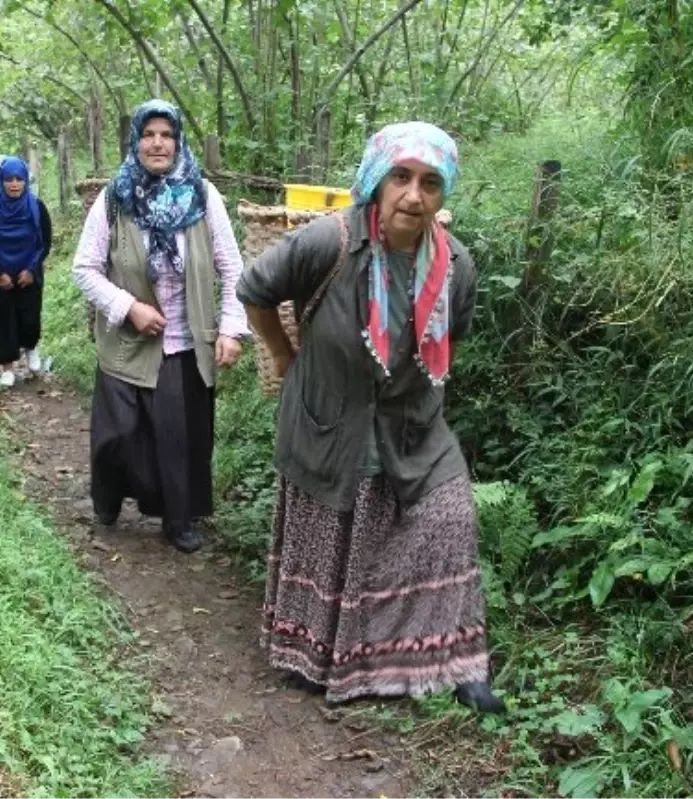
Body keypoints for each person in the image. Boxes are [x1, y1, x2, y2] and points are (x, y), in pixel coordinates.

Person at [235, 122, 504, 712]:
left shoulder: (456, 265)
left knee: (450, 521)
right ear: (377, 181)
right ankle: (317, 655)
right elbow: (254, 288)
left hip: (413, 427)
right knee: (334, 539)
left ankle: (456, 660)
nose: (414, 195)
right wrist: (283, 353)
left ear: (443, 193)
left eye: (430, 183)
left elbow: (450, 339)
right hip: (330, 422)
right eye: (401, 178)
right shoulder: (327, 242)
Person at [72, 99, 251, 554]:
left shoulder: (203, 196)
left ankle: (178, 518)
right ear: (136, 140)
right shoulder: (116, 197)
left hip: (185, 343)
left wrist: (231, 327)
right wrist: (128, 306)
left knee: (178, 438)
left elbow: (231, 267)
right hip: (127, 342)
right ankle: (109, 500)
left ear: (178, 141)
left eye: (166, 134)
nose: (157, 143)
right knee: (117, 438)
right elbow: (85, 269)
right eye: (149, 134)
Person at [0, 157, 53, 387]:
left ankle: (31, 350)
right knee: (1, 321)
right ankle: (7, 367)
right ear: (2, 181)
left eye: (19, 179)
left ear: (26, 180)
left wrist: (31, 269)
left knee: (29, 318)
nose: (15, 184)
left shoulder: (36, 206)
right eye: (9, 179)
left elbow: (45, 242)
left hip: (28, 273)